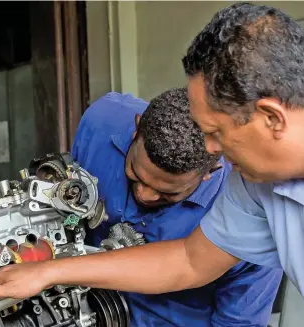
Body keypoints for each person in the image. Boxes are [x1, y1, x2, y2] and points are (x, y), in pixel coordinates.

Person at [0, 2, 304, 303]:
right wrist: (47, 273)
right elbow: (189, 260)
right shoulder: (256, 186)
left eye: (215, 133)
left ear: (271, 117)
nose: (212, 150)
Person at [70, 88, 282, 327]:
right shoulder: (101, 125)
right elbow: (69, 212)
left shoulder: (252, 215)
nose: (145, 195)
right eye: (135, 174)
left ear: (209, 173)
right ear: (135, 130)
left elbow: (238, 323)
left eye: (167, 193)